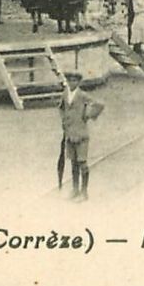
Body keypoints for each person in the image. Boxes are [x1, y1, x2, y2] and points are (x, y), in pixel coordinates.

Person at [58, 71, 104, 201]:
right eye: (69, 80)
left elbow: (99, 105)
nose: (71, 83)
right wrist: (64, 120)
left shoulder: (82, 95)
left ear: (78, 82)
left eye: (74, 81)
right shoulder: (65, 94)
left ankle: (84, 192)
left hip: (81, 133)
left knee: (82, 163)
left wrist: (88, 115)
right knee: (73, 163)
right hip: (70, 133)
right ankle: (75, 190)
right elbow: (61, 108)